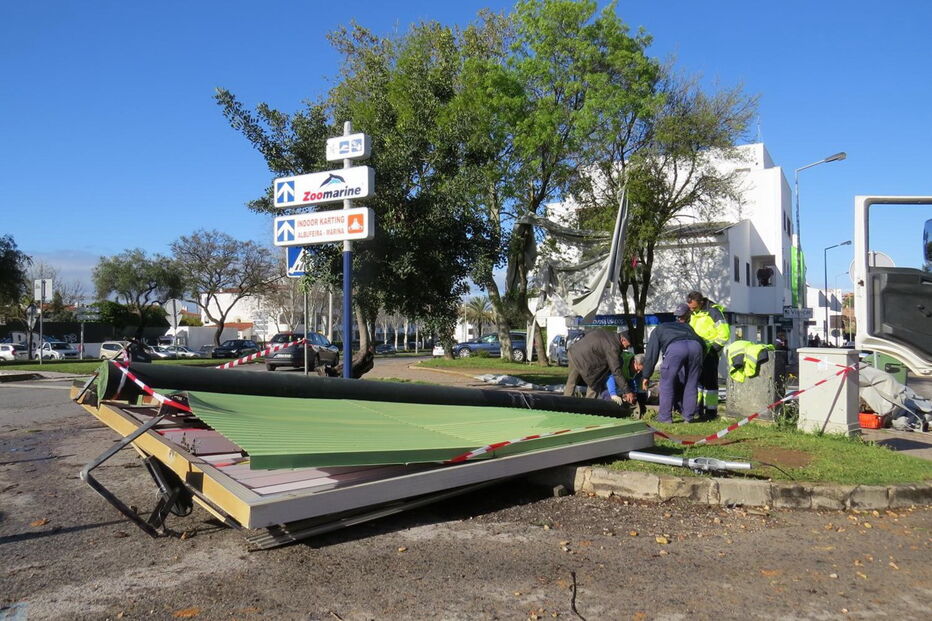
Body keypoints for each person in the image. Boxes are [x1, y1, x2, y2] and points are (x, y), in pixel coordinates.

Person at [641, 304, 705, 423]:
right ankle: (688, 417)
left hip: (676, 348)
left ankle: (665, 418)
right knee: (691, 383)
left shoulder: (659, 329)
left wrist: (646, 375)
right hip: (696, 347)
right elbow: (702, 343)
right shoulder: (688, 327)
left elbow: (651, 354)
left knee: (666, 383)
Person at [686, 290, 730, 421]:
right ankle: (696, 410)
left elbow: (724, 334)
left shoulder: (713, 312)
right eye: (690, 308)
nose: (692, 310)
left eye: (694, 307)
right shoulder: (693, 313)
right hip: (696, 352)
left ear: (701, 302)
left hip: (710, 353)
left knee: (710, 384)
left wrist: (713, 350)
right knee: (697, 383)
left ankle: (711, 412)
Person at [563, 329, 636, 406]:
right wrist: (627, 391)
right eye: (628, 345)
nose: (627, 348)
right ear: (623, 339)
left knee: (571, 383)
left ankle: (564, 405)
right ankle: (587, 408)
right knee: (595, 384)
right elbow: (616, 371)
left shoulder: (610, 335)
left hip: (574, 352)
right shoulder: (613, 346)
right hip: (583, 359)